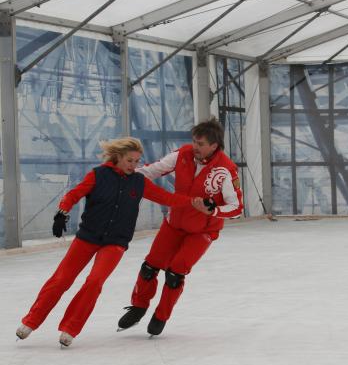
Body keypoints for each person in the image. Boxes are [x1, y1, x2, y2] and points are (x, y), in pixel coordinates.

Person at [16, 137, 206, 347]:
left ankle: (70, 328)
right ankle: (31, 322)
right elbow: (74, 194)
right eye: (130, 161)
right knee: (61, 279)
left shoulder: (139, 182)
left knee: (95, 282)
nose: (134, 166)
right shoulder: (99, 175)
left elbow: (167, 198)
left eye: (137, 161)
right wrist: (62, 212)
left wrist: (194, 203)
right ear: (118, 157)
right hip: (88, 237)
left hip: (115, 242)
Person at [117, 117, 244, 336]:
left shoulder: (226, 169)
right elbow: (152, 170)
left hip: (202, 231)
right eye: (194, 141)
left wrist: (213, 210)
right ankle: (138, 306)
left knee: (175, 272)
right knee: (150, 267)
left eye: (201, 144)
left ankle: (161, 316)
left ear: (214, 146)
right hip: (174, 224)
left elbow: (237, 207)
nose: (195, 146)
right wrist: (124, 172)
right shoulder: (182, 154)